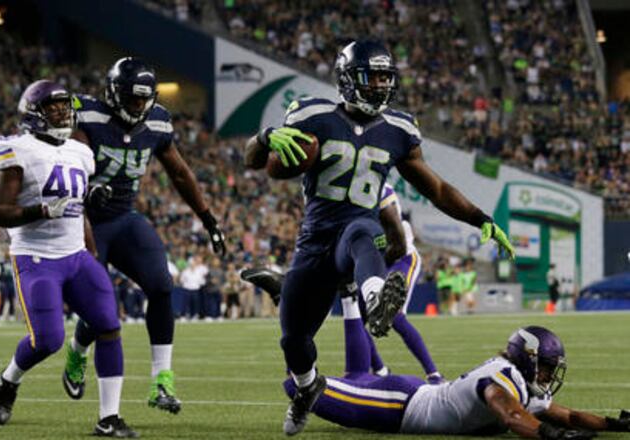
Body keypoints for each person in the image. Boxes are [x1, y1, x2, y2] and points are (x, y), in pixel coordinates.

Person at [244, 39, 515, 435]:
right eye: (372, 78)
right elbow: (259, 163)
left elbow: (436, 189)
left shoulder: (399, 128)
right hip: (315, 243)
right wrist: (264, 137)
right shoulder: (312, 113)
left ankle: (375, 298)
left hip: (354, 240)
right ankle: (305, 390)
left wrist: (480, 218)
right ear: (349, 78)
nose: (380, 87)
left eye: (387, 78)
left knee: (363, 229)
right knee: (294, 341)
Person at [63, 57, 225, 413]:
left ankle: (161, 381)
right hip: (86, 222)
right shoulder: (87, 116)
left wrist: (208, 218)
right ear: (114, 92)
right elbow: (68, 165)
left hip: (123, 218)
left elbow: (180, 174)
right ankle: (77, 351)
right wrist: (86, 192)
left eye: (143, 99)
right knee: (100, 305)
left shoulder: (157, 120)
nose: (138, 105)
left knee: (163, 287)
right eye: (132, 98)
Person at [0, 79, 136, 437]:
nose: (62, 112)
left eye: (64, 106)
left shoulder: (80, 152)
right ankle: (9, 380)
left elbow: (76, 208)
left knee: (109, 326)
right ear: (34, 114)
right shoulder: (16, 150)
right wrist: (41, 210)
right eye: (53, 107)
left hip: (76, 254)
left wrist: (91, 249)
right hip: (36, 257)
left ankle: (108, 417)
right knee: (48, 340)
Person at [283, 295, 630, 439]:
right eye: (547, 367)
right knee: (300, 387)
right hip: (399, 407)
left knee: (357, 377)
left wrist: (616, 424)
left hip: (414, 393)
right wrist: (548, 435)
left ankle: (347, 294)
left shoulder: (520, 383)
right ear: (529, 358)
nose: (549, 377)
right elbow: (510, 415)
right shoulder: (503, 378)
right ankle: (285, 302)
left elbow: (567, 416)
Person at [243, 183, 444, 383]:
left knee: (392, 315)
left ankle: (433, 373)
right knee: (358, 317)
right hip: (362, 255)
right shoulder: (330, 189)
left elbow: (396, 244)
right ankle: (379, 369)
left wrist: (369, 274)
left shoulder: (373, 184)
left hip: (398, 256)